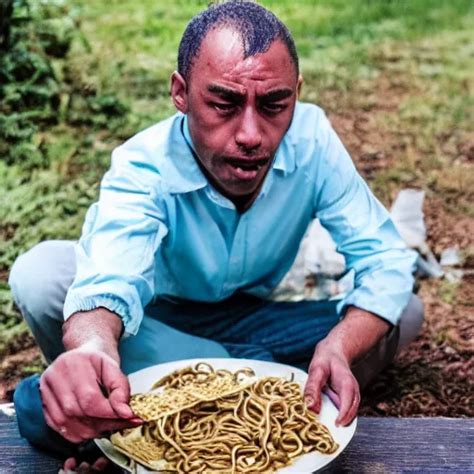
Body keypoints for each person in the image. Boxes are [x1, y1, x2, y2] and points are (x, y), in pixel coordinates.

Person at [9, 1, 423, 471]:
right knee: (42, 276)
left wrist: (339, 346)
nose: (251, 134)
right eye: (223, 103)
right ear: (181, 93)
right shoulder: (143, 165)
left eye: (274, 105)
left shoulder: (312, 140)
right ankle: (253, 376)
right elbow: (109, 279)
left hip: (251, 316)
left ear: (296, 94)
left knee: (403, 312)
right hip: (151, 317)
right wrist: (92, 348)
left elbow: (386, 261)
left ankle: (163, 396)